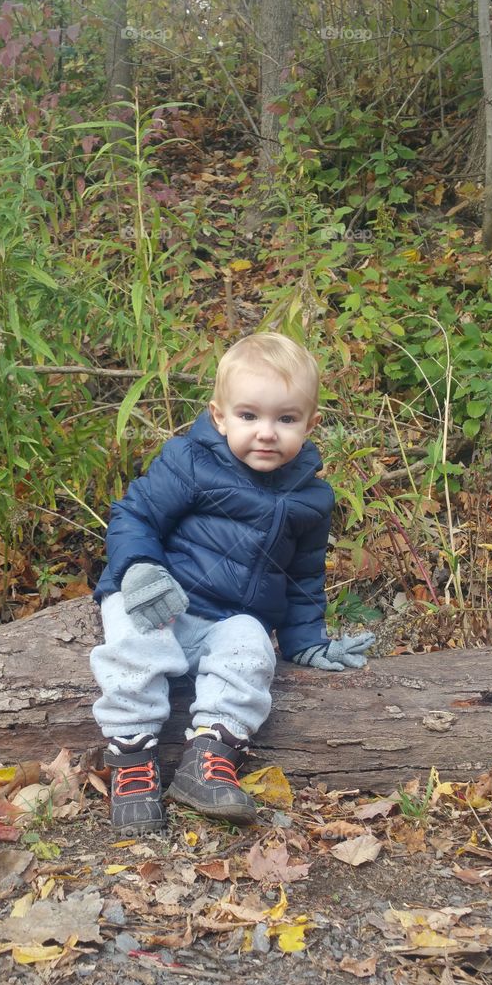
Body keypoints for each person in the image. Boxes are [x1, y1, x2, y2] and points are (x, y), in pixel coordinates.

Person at [90, 332, 375, 835]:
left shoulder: (312, 499)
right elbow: (135, 514)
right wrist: (138, 568)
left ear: (310, 425)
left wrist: (306, 642)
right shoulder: (190, 462)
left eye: (285, 419)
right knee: (134, 641)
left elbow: (304, 576)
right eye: (249, 416)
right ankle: (132, 757)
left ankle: (208, 757)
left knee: (251, 647)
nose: (266, 433)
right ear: (219, 417)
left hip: (224, 620)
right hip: (160, 596)